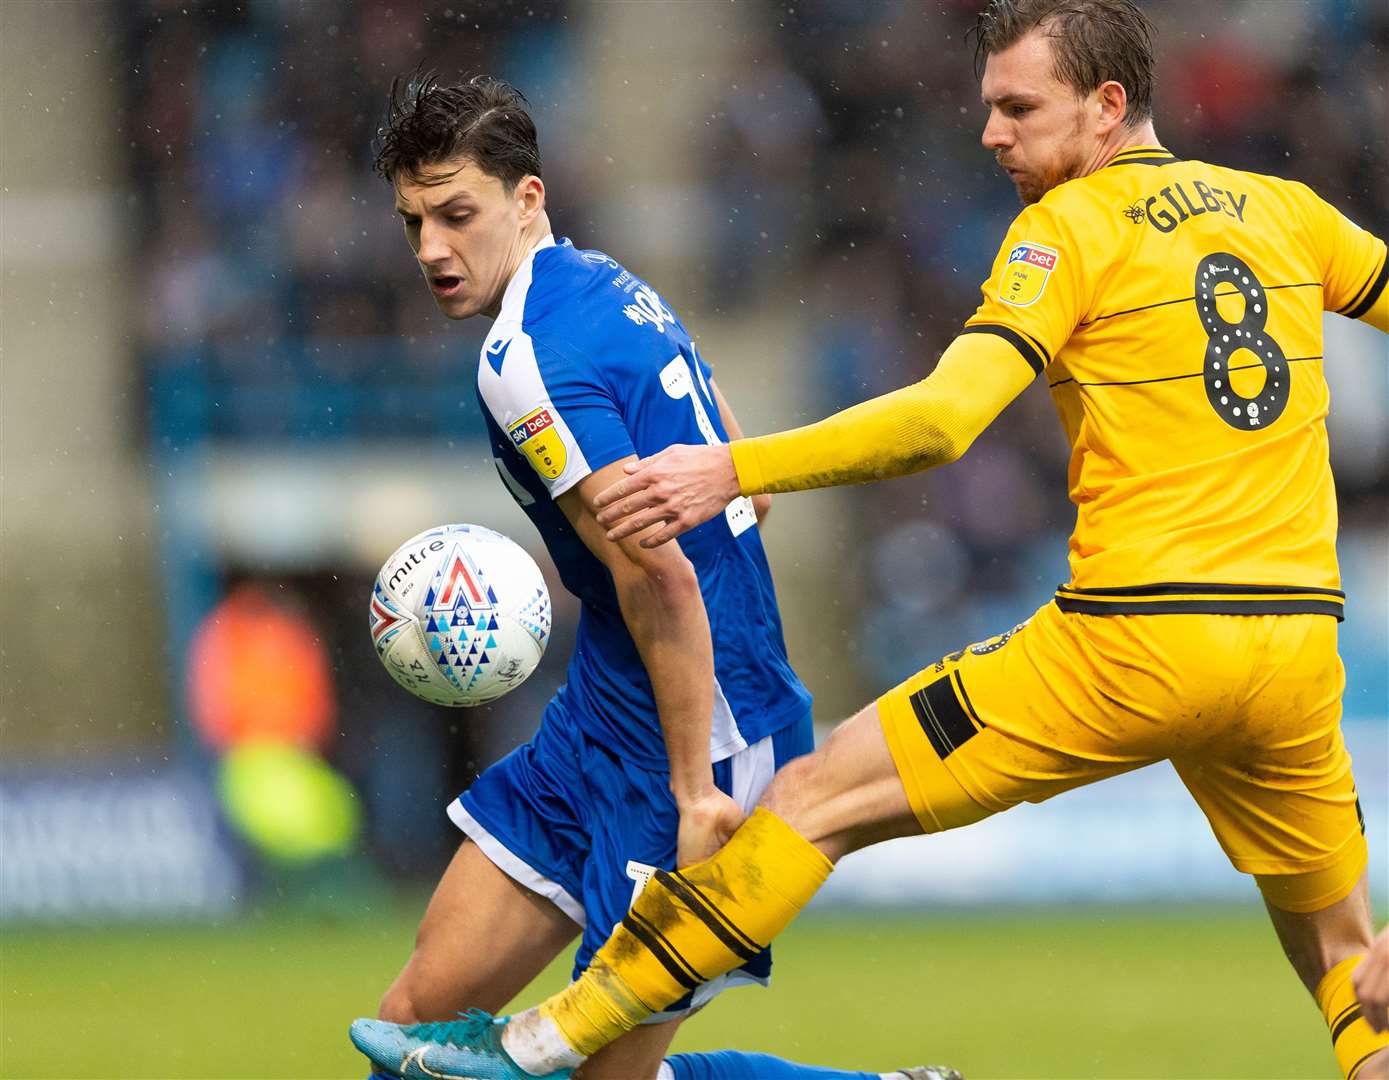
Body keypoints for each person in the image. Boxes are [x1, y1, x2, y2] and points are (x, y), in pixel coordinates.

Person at [350, 2, 1389, 1078]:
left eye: (1017, 108)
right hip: (1298, 646)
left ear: (1108, 105)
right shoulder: (1287, 209)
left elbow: (943, 420)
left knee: (809, 802)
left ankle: (545, 1035)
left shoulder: (1072, 227)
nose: (992, 133)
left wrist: (737, 469)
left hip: (1140, 636)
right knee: (1353, 972)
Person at [348, 73, 959, 1080]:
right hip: (606, 706)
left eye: (457, 215)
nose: (430, 250)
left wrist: (692, 793)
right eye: (413, 220)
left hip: (705, 734)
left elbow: (661, 580)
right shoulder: (614, 283)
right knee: (412, 1027)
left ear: (527, 198)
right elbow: (743, 482)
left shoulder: (524, 357)